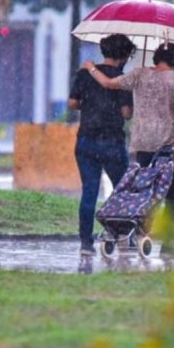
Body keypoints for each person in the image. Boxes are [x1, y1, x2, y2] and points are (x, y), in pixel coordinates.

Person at [82, 42, 174, 225]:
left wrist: (91, 68)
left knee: (140, 189)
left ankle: (136, 229)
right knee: (170, 194)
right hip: (168, 144)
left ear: (157, 57)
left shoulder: (139, 74)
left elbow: (108, 83)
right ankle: (169, 242)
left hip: (142, 142)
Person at [69, 34, 136, 255]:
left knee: (89, 192)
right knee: (122, 191)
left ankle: (86, 244)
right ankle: (121, 234)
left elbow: (73, 103)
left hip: (86, 140)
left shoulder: (84, 73)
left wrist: (91, 104)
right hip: (112, 142)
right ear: (124, 56)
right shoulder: (123, 79)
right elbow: (127, 113)